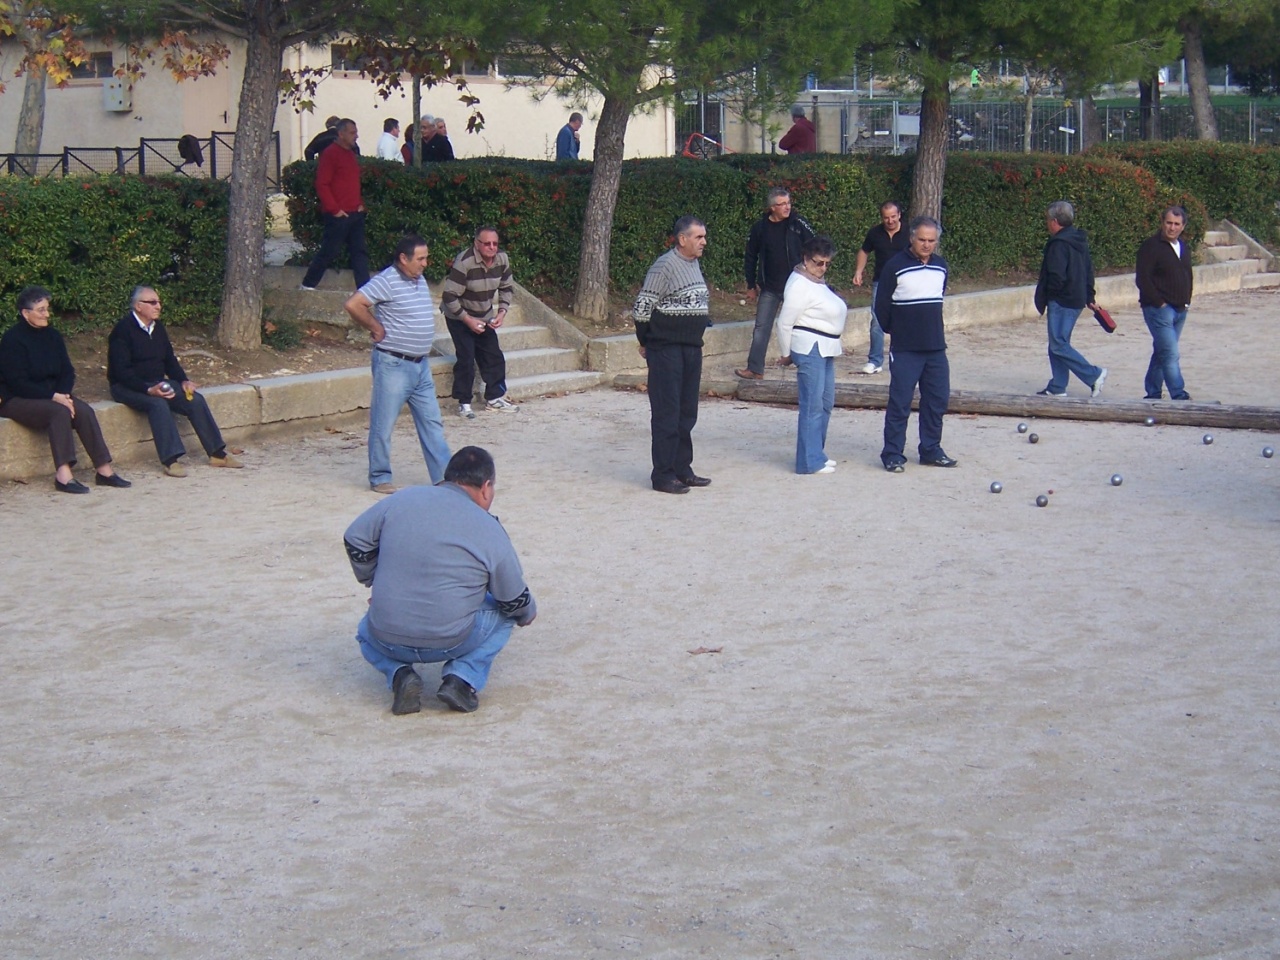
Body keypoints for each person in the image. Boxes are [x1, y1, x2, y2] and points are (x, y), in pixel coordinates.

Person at [344, 445, 537, 715]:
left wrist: (371, 578)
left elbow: (355, 539)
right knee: (507, 613)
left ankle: (399, 674)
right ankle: (461, 678)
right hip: (451, 639)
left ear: (444, 479)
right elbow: (513, 598)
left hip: (386, 636)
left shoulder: (401, 499)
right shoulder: (488, 526)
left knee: (366, 628)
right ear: (486, 487)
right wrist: (527, 613)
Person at [344, 234, 451, 495]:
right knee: (384, 422)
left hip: (420, 365)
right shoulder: (387, 280)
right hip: (394, 363)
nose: (426, 263)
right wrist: (374, 326)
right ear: (403, 259)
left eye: (426, 257)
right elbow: (354, 304)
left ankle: (444, 477)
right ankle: (380, 477)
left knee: (432, 421)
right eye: (421, 258)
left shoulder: (418, 278)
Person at [0, 286, 130, 493]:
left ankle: (104, 470)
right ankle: (63, 474)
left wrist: (64, 394)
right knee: (59, 412)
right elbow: (17, 383)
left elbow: (67, 371)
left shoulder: (53, 336)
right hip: (17, 398)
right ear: (25, 313)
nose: (47, 314)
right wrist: (55, 397)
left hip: (53, 394)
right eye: (41, 310)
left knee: (84, 411)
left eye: (47, 309)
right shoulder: (12, 340)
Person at [107, 286, 244, 477]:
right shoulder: (122, 331)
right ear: (138, 306)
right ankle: (170, 461)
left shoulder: (158, 328)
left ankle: (217, 454)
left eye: (159, 302)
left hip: (156, 382)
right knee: (158, 404)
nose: (158, 306)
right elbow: (122, 373)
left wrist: (183, 381)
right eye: (153, 302)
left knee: (194, 399)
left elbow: (170, 361)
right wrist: (148, 389)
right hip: (127, 386)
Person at [633, 216, 712, 494]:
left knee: (687, 411)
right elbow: (642, 307)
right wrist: (646, 341)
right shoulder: (664, 266)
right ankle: (663, 475)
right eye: (698, 237)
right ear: (682, 239)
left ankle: (682, 468)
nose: (703, 241)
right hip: (666, 348)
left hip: (691, 346)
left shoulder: (694, 264)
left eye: (703, 236)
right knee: (667, 412)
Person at [876, 216, 957, 473]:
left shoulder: (941, 266)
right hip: (906, 348)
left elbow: (938, 296)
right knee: (900, 402)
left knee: (937, 400)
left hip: (935, 347)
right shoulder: (895, 266)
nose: (926, 245)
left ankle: (931, 449)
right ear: (912, 238)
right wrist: (897, 330)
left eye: (931, 241)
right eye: (922, 239)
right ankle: (892, 453)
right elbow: (881, 307)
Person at [775, 236, 846, 475]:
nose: (823, 268)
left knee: (825, 403)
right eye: (818, 263)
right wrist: (786, 354)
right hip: (809, 346)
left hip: (826, 346)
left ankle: (817, 452)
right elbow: (784, 322)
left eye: (827, 263)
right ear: (806, 259)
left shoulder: (815, 281)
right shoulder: (798, 284)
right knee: (812, 404)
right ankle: (808, 461)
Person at [735, 186, 814, 380]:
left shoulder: (798, 223)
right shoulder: (760, 228)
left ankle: (806, 366)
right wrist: (751, 285)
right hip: (770, 286)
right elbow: (751, 257)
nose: (787, 207)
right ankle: (755, 369)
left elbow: (815, 246)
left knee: (801, 326)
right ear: (772, 207)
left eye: (788, 202)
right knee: (761, 327)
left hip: (796, 286)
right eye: (782, 204)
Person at [441, 227, 517, 418]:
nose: (492, 247)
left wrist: (502, 311)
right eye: (487, 243)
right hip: (458, 314)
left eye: (495, 243)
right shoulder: (464, 262)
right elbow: (449, 296)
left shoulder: (502, 259)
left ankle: (495, 398)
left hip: (484, 314)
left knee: (494, 356)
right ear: (477, 244)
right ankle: (464, 402)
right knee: (466, 357)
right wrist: (467, 320)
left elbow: (507, 287)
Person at [1034, 200, 1107, 398]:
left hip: (1062, 300)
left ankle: (1093, 375)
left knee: (1059, 344)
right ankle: (1057, 385)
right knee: (1057, 343)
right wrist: (1089, 295)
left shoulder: (1058, 244)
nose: (1047, 224)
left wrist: (1050, 295)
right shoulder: (1079, 240)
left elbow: (1056, 275)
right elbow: (1088, 269)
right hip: (1076, 299)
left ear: (1055, 221)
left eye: (1048, 220)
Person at [300, 119, 370, 292]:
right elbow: (322, 184)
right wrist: (335, 209)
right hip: (339, 215)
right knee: (328, 251)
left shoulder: (351, 154)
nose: (356, 136)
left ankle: (365, 290)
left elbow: (352, 183)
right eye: (352, 133)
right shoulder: (330, 154)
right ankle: (308, 284)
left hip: (354, 212)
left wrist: (360, 204)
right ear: (341, 134)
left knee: (360, 252)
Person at [1136, 205, 1194, 401]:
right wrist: (1159, 303)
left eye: (1177, 224)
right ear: (1162, 223)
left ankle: (1152, 392)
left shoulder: (1183, 247)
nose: (1172, 227)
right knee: (1170, 353)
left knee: (1162, 351)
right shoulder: (1151, 246)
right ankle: (1178, 393)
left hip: (1180, 309)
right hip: (1159, 309)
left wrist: (1187, 301)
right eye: (1169, 223)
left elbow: (1188, 275)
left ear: (1183, 226)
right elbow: (1143, 279)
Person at [852, 200, 908, 375]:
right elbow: (864, 251)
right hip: (881, 282)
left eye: (893, 217)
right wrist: (859, 271)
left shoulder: (909, 233)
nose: (890, 221)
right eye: (886, 218)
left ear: (899, 215)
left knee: (904, 320)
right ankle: (875, 360)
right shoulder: (875, 233)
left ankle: (902, 358)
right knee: (877, 321)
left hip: (905, 283)